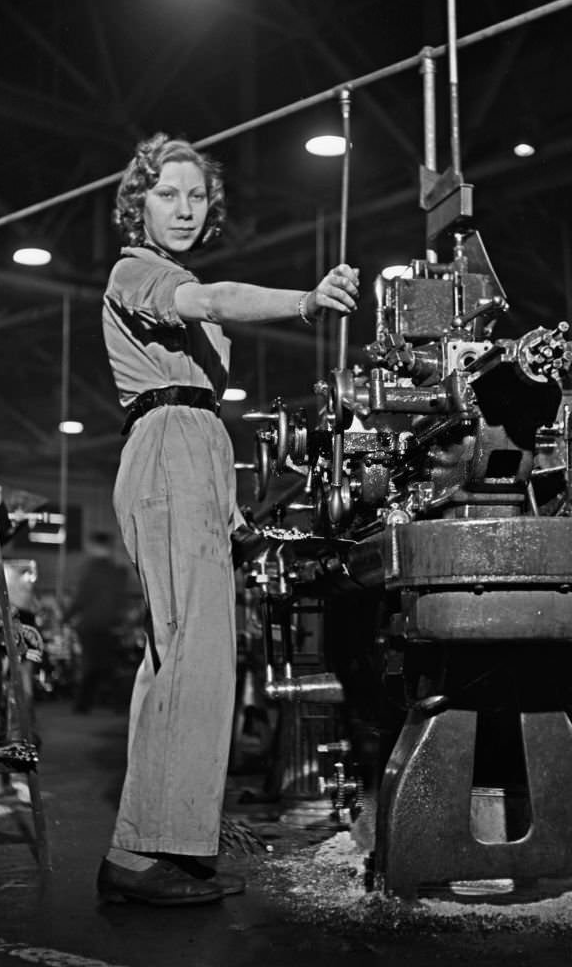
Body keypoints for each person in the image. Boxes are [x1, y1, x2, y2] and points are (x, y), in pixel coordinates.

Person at [96, 132, 359, 906]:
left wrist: (234, 504)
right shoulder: (139, 272)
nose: (184, 208)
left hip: (192, 447)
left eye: (196, 196)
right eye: (167, 193)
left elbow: (197, 387)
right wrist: (304, 302)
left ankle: (148, 841)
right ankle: (151, 854)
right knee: (197, 655)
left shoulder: (170, 275)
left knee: (174, 657)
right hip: (170, 440)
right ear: (137, 203)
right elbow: (210, 303)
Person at [66, 531, 130, 714]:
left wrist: (66, 616)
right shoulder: (118, 572)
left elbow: (81, 597)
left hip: (91, 624)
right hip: (109, 624)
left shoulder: (90, 570)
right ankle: (117, 703)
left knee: (92, 664)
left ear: (94, 546)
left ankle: (84, 705)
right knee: (106, 664)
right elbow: (121, 600)